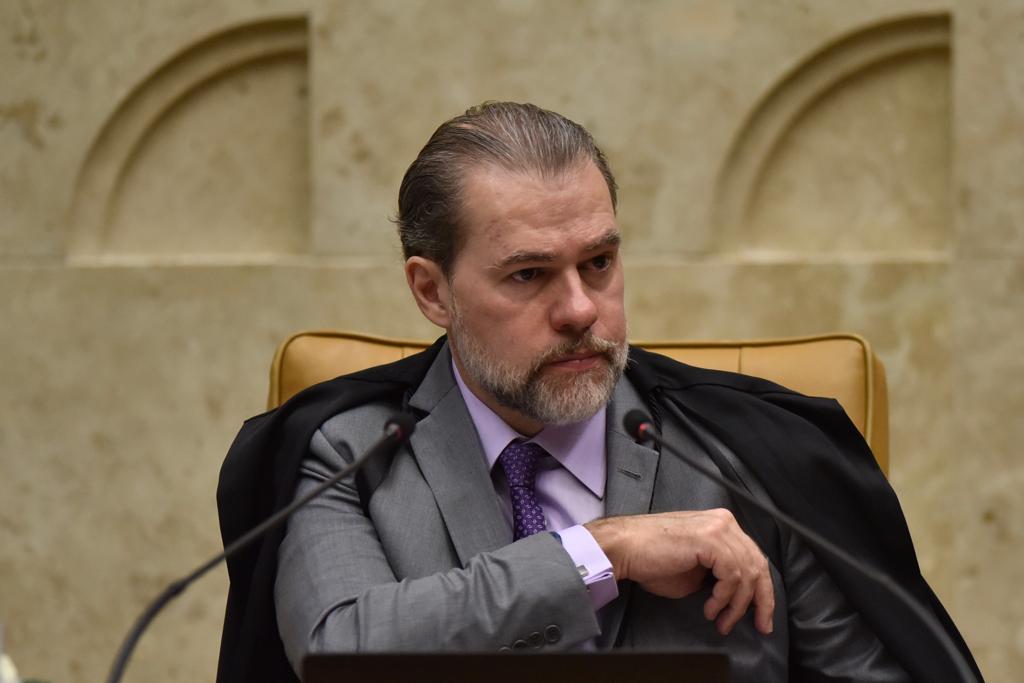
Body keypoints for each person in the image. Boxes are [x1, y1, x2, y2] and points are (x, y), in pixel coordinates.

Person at [216, 102, 981, 683]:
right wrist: (602, 550)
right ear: (432, 291)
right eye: (529, 274)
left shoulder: (748, 454)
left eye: (600, 263)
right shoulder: (348, 454)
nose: (581, 309)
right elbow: (341, 650)